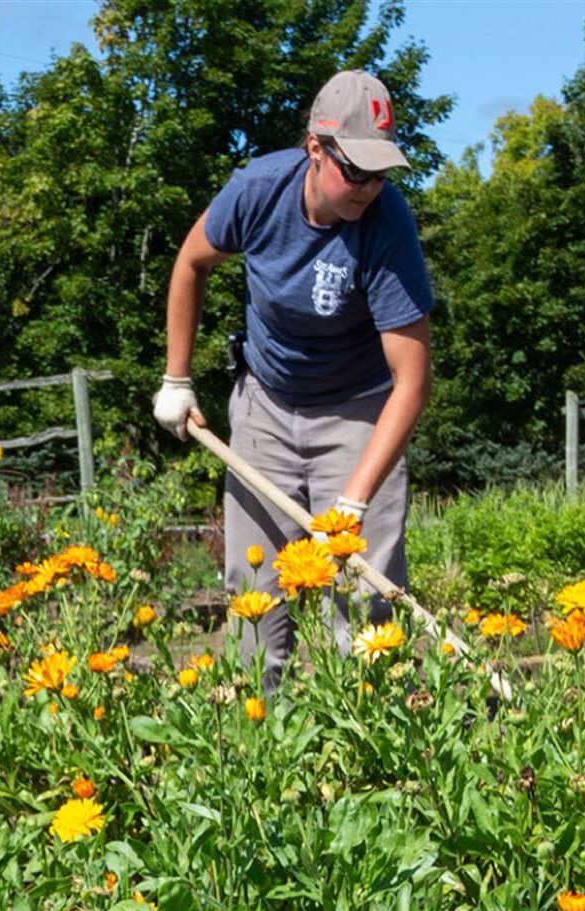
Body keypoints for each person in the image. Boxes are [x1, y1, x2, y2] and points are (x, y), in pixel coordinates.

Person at [153, 69, 434, 690]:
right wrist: (177, 379)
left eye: (380, 172)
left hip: (360, 414)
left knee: (364, 605)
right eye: (354, 170)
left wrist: (355, 501)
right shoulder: (259, 190)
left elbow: (411, 380)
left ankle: (376, 759)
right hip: (265, 407)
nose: (368, 187)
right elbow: (190, 262)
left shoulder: (387, 225)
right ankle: (259, 757)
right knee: (254, 602)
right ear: (316, 148)